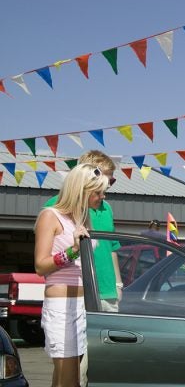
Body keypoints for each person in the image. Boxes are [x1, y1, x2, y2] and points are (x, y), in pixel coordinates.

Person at [44, 150, 122, 387]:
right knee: (74, 366)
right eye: (107, 179)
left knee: (107, 363)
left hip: (107, 291)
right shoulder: (56, 207)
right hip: (75, 293)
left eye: (111, 181)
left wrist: (118, 284)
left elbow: (112, 248)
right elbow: (46, 259)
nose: (108, 186)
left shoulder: (107, 208)